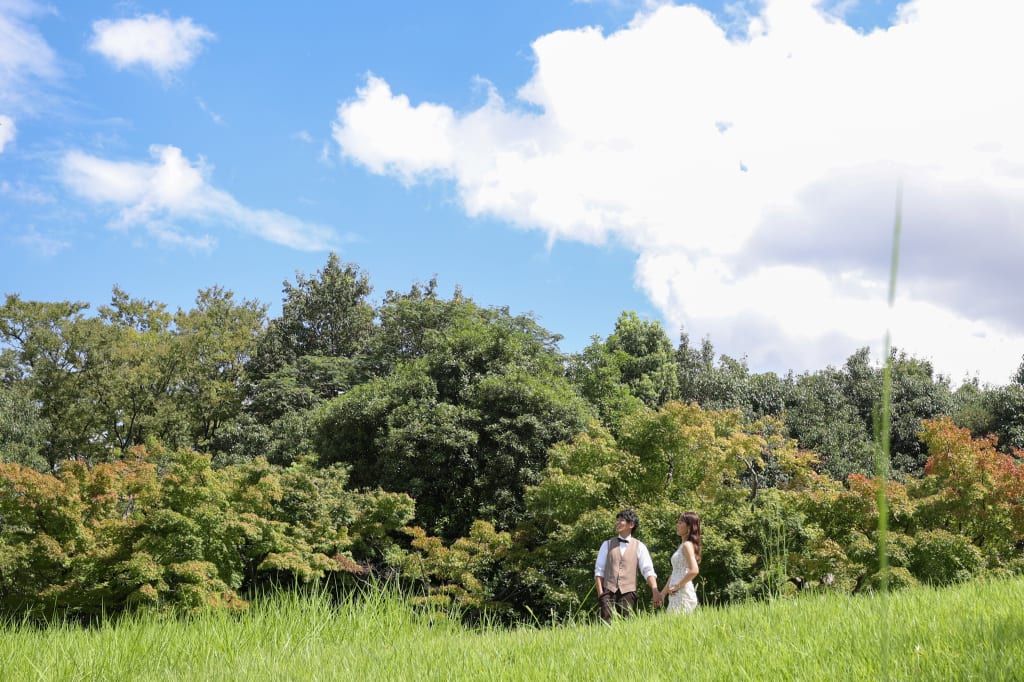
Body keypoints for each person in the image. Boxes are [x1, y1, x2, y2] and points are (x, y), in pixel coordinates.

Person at [594, 509, 662, 622]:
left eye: (621, 520)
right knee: (605, 627)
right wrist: (601, 594)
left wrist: (655, 590)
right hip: (608, 592)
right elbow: (599, 571)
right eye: (617, 520)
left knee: (627, 626)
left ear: (631, 524)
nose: (617, 523)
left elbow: (648, 570)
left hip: (629, 593)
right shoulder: (607, 544)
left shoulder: (640, 546)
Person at [660, 511, 701, 614]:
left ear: (689, 527)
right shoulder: (682, 546)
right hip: (675, 592)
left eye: (680, 522)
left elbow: (694, 570)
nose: (677, 525)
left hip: (682, 592)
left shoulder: (687, 545)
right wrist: (663, 593)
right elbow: (675, 573)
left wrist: (677, 586)